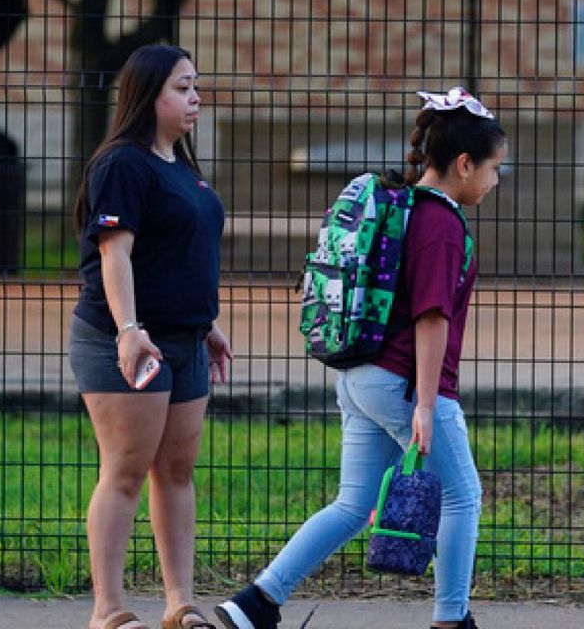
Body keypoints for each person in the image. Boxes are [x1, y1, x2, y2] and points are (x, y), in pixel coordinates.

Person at [215, 88, 506, 629]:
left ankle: (256, 602)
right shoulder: (442, 225)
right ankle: (451, 620)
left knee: (353, 505)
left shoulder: (399, 209)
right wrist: (425, 402)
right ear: (464, 164)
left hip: (358, 376)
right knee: (463, 498)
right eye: (493, 169)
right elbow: (431, 317)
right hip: (404, 383)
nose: (494, 181)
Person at [69, 44, 232, 629]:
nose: (195, 98)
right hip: (129, 339)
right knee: (126, 468)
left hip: (186, 340)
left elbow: (181, 251)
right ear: (148, 96)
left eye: (195, 86)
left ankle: (179, 603)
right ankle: (108, 609)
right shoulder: (122, 163)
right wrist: (130, 330)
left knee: (177, 470)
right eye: (182, 88)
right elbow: (116, 255)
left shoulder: (179, 165)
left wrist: (205, 323)